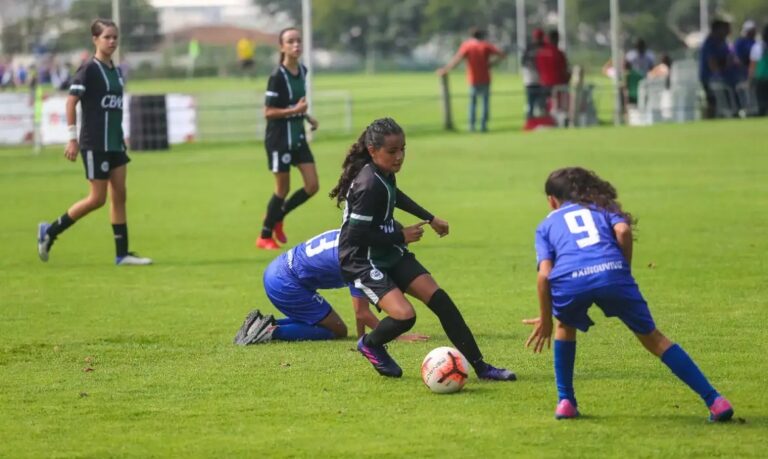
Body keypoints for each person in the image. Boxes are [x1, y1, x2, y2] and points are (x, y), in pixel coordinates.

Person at [523, 167, 734, 422]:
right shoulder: (602, 206)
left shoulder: (546, 225)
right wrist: (622, 270)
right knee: (653, 338)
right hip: (612, 272)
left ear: (552, 200)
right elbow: (622, 232)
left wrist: (546, 319)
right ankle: (715, 401)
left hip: (571, 281)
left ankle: (565, 401)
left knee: (565, 326)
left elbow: (544, 275)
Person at [329, 117, 515, 381]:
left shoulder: (384, 174)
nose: (399, 157)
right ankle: (370, 344)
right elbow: (356, 237)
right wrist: (400, 235)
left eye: (403, 149)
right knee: (405, 317)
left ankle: (482, 367)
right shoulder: (368, 184)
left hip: (389, 252)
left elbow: (395, 196)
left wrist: (430, 217)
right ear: (373, 151)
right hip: (362, 260)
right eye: (392, 151)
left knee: (442, 302)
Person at [37, 19, 151, 266]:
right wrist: (71, 138)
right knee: (97, 199)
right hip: (94, 144)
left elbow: (114, 108)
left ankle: (122, 254)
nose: (112, 41)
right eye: (107, 37)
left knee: (119, 196)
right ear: (95, 40)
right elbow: (71, 101)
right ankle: (50, 231)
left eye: (115, 37)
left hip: (114, 144)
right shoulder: (88, 69)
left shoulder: (116, 71)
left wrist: (121, 136)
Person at [233, 229, 429, 344]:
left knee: (324, 324)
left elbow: (362, 310)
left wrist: (363, 337)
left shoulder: (355, 234)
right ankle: (271, 331)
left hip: (278, 270)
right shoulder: (358, 259)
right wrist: (394, 335)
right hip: (286, 283)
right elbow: (361, 313)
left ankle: (261, 324)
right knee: (336, 330)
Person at [256, 27, 319, 250]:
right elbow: (269, 112)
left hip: (298, 137)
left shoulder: (302, 70)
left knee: (312, 186)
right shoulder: (277, 76)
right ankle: (264, 236)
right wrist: (297, 110)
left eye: (298, 41)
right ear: (282, 47)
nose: (296, 45)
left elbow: (294, 105)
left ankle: (279, 216)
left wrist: (307, 117)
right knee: (282, 189)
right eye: (290, 42)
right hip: (279, 140)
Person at [437, 28, 506, 132]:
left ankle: (472, 126)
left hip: (473, 78)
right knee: (485, 103)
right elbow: (502, 55)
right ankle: (483, 126)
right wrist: (492, 64)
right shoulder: (485, 45)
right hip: (485, 78)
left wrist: (446, 69)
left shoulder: (467, 45)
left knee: (473, 103)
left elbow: (457, 59)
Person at [699, 19, 734, 118]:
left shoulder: (723, 42)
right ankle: (710, 118)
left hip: (723, 76)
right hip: (709, 77)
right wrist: (718, 75)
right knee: (712, 100)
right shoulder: (710, 43)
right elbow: (712, 62)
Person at [521, 28, 546, 119]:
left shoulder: (530, 47)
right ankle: (531, 117)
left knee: (539, 101)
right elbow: (525, 63)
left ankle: (537, 117)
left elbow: (524, 62)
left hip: (535, 78)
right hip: (534, 78)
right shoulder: (540, 47)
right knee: (533, 100)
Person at [749, 24, 768, 116]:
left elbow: (752, 66)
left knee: (761, 102)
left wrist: (750, 80)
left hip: (761, 78)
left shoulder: (757, 47)